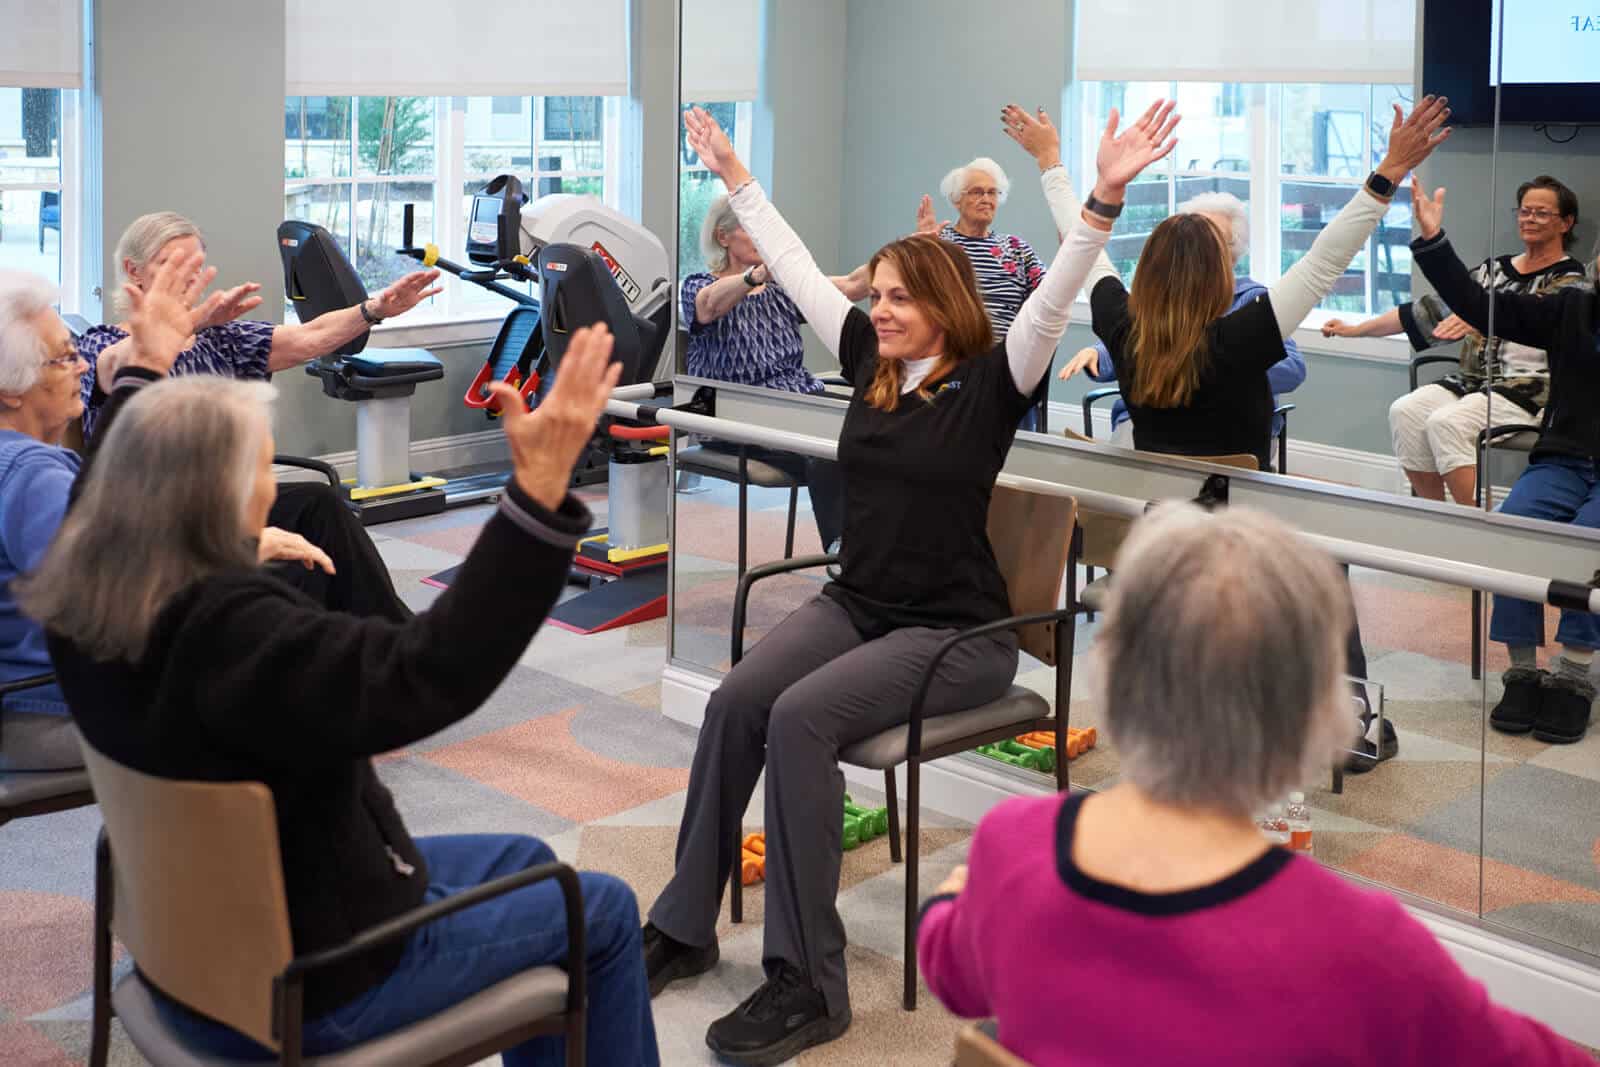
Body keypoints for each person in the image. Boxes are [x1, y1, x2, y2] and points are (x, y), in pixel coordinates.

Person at [20, 247, 659, 1065]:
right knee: (595, 912)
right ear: (222, 501)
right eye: (261, 461)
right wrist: (534, 496)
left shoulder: (88, 594)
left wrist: (147, 363)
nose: (273, 479)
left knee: (529, 860)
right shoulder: (241, 634)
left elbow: (101, 489)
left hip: (190, 946)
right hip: (313, 976)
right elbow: (432, 668)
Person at [643, 101, 1179, 1065]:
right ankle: (683, 925)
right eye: (877, 294)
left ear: (946, 302)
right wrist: (733, 174)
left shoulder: (992, 381)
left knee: (801, 720)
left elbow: (1055, 296)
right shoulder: (868, 361)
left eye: (899, 297)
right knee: (736, 702)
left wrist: (1099, 194)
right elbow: (800, 267)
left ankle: (809, 981)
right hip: (859, 606)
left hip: (960, 636)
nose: (880, 309)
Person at [916, 504, 1594, 1067]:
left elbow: (949, 966)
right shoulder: (1364, 947)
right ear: (1318, 711)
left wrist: (951, 895)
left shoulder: (1013, 843)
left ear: (1114, 672)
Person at [0, 270, 341, 771]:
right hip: (48, 708)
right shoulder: (33, 475)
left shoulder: (25, 463)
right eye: (64, 358)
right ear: (11, 389)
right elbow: (111, 591)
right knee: (287, 702)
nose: (80, 368)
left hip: (33, 691)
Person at [1410, 180, 1600, 745]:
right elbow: (1477, 306)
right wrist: (1433, 239)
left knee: (1585, 552)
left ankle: (1573, 677)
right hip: (1565, 459)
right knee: (1513, 537)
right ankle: (1522, 669)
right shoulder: (1574, 308)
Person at [1322, 175, 1586, 504]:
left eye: (1541, 213)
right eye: (1524, 210)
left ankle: (1475, 527)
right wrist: (1355, 329)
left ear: (1566, 222)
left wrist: (1480, 317)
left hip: (1530, 390)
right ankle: (1435, 518)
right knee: (1406, 411)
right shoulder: (1494, 271)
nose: (1529, 218)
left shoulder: (1573, 282)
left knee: (1447, 422)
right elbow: (1426, 311)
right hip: (1472, 382)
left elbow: (1524, 316)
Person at [1056, 190, 1307, 458]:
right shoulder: (1151, 307)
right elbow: (1136, 341)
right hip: (1149, 427)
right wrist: (1100, 352)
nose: (1195, 245)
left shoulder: (1252, 302)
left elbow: (1293, 368)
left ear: (1230, 251)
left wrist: (1212, 372)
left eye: (1208, 238)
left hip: (1227, 438)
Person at [682, 193, 859, 549]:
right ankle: (843, 555)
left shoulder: (780, 292)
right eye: (752, 230)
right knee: (829, 450)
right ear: (723, 237)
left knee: (875, 437)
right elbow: (709, 305)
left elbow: (853, 286)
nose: (763, 240)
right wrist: (753, 276)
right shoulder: (697, 285)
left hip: (799, 404)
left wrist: (909, 253)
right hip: (739, 416)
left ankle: (880, 553)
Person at [915, 153, 1050, 427]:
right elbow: (915, 296)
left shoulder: (1016, 249)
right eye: (976, 192)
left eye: (992, 192)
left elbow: (1050, 295)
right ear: (956, 199)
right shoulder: (939, 242)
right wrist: (923, 249)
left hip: (1007, 362)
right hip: (951, 361)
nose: (986, 199)